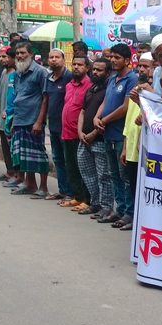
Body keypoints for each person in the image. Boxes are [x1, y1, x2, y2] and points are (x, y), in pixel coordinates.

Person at [95, 43, 138, 227]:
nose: (112, 60)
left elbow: (125, 107)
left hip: (122, 135)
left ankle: (129, 212)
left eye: (117, 58)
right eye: (111, 57)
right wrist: (97, 117)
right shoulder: (113, 78)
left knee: (124, 176)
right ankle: (119, 209)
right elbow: (106, 100)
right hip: (108, 134)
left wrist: (103, 121)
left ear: (127, 60)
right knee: (113, 174)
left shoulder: (131, 79)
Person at [9, 42, 51, 198]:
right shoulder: (18, 72)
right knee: (24, 155)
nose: (20, 56)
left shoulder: (40, 72)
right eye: (18, 53)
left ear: (31, 54)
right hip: (20, 117)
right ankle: (30, 184)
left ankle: (44, 187)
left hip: (34, 118)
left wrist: (39, 121)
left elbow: (45, 97)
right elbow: (18, 96)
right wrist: (14, 121)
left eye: (23, 53)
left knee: (38, 154)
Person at [119, 53, 156, 232]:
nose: (141, 69)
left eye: (146, 66)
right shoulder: (136, 88)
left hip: (148, 149)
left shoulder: (155, 93)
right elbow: (129, 119)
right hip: (133, 147)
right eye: (140, 66)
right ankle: (136, 221)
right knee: (133, 186)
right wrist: (125, 146)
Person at [77, 58, 113, 220]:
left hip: (98, 139)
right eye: (94, 69)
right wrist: (80, 132)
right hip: (83, 139)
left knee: (103, 175)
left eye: (99, 70)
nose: (95, 72)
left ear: (108, 73)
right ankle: (95, 202)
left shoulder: (108, 91)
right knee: (87, 172)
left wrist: (93, 134)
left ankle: (106, 206)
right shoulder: (91, 89)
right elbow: (83, 112)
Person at [62, 54, 93, 213]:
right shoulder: (69, 85)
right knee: (71, 167)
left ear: (87, 68)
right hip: (66, 132)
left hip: (80, 133)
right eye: (74, 64)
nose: (75, 67)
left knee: (84, 169)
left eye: (80, 65)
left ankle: (87, 199)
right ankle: (77, 197)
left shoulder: (90, 85)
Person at [43, 48, 74, 204]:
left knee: (69, 160)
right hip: (53, 126)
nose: (54, 60)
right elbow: (46, 100)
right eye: (51, 57)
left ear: (63, 59)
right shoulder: (48, 77)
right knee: (58, 159)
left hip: (67, 127)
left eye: (57, 57)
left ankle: (71, 192)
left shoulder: (70, 77)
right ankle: (62, 191)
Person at [0, 47, 20, 185]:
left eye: (6, 57)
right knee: (5, 145)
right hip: (2, 117)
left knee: (13, 147)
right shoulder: (4, 73)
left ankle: (16, 174)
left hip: (12, 117)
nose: (3, 59)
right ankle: (9, 171)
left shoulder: (16, 74)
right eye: (2, 57)